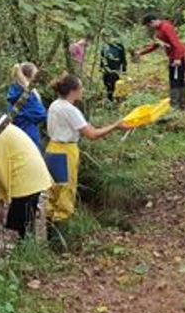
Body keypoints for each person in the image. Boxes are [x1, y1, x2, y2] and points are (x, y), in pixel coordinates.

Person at [44, 74, 130, 223]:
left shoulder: (55, 105)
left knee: (52, 189)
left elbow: (87, 127)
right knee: (65, 190)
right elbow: (92, 134)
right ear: (74, 90)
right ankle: (61, 224)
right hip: (65, 152)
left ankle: (46, 222)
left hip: (51, 150)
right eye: (81, 87)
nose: (83, 90)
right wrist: (116, 126)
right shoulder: (70, 110)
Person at [134, 13, 185, 109]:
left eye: (148, 25)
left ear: (153, 21)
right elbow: (155, 45)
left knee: (176, 80)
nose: (149, 28)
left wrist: (177, 58)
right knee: (176, 79)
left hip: (178, 57)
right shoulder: (158, 31)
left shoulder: (166, 27)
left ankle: (177, 105)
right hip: (173, 57)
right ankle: (180, 103)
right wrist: (141, 52)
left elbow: (176, 44)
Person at [6, 62, 47, 150]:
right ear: (28, 78)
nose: (37, 80)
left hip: (16, 137)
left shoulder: (15, 91)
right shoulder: (25, 95)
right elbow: (40, 114)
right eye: (35, 77)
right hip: (28, 137)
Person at [100, 37, 128, 102]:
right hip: (106, 69)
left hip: (115, 69)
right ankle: (110, 99)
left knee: (115, 84)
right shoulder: (105, 46)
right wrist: (101, 67)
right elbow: (102, 57)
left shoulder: (119, 46)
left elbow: (123, 58)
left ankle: (117, 99)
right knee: (107, 85)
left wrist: (124, 69)